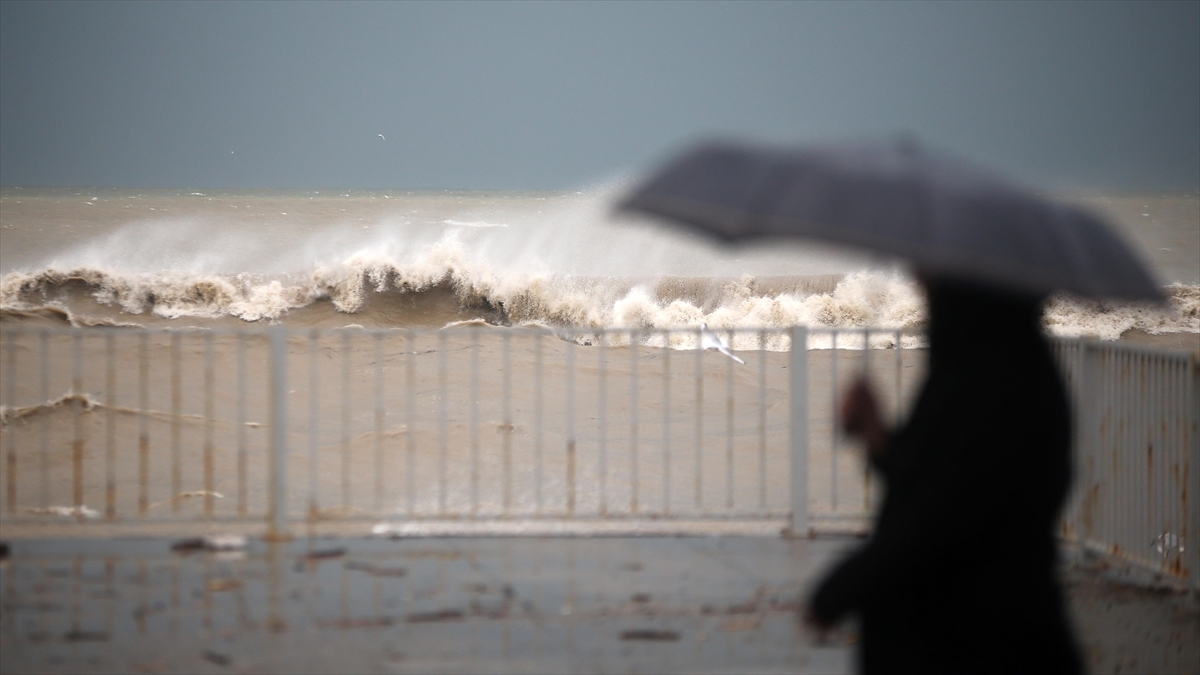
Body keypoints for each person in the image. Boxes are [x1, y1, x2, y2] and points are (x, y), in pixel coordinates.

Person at [804, 275, 1083, 674]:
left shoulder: (994, 380)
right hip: (975, 629)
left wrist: (844, 588)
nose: (920, 283)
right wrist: (874, 432)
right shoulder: (982, 364)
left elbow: (940, 516)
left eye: (932, 277)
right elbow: (931, 471)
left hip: (982, 640)